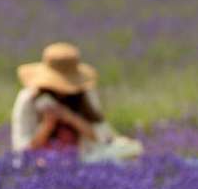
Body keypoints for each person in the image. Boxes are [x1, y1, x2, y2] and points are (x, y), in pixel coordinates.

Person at [11, 43, 142, 163]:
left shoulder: (85, 94)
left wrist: (70, 117)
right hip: (40, 163)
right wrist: (47, 125)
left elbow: (104, 136)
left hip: (82, 160)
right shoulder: (28, 99)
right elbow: (22, 149)